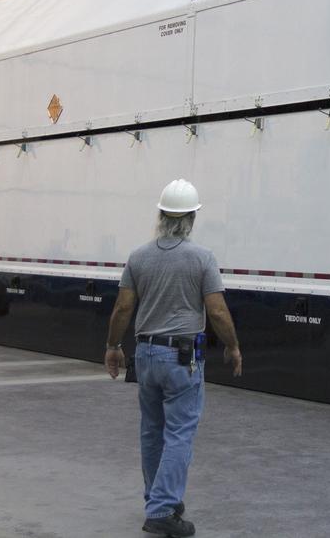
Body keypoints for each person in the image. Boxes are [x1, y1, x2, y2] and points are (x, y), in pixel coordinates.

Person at [104, 179, 243, 538]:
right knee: (180, 432)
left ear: (161, 216)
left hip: (146, 353)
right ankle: (163, 509)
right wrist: (232, 345)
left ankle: (157, 499)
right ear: (191, 220)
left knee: (152, 431)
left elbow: (122, 307)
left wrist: (113, 346)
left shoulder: (139, 256)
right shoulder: (202, 258)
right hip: (181, 358)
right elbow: (217, 310)